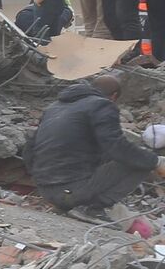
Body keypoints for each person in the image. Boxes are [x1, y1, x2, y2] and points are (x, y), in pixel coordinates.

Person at [26, 74, 165, 217]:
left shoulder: (54, 108)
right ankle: (92, 208)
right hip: (71, 193)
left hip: (47, 192)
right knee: (141, 161)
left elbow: (29, 149)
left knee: (109, 153)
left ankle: (71, 203)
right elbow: (117, 147)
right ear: (114, 96)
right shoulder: (102, 105)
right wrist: (156, 161)